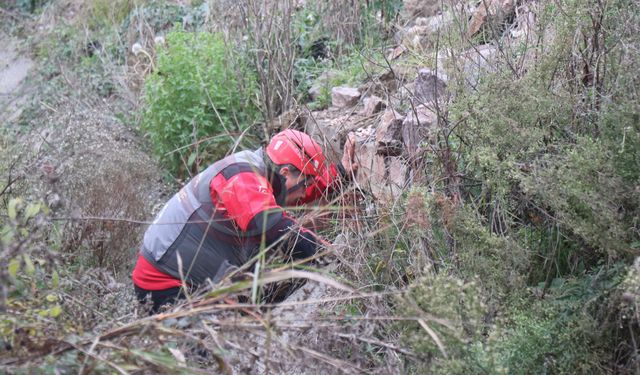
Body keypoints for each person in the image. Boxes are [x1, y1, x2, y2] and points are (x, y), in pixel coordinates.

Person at [132, 129, 357, 312]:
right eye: (306, 183)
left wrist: (339, 174)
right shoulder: (241, 177)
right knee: (207, 362)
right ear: (286, 173)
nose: (305, 192)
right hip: (165, 284)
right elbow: (276, 229)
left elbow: (288, 196)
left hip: (179, 275)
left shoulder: (257, 171)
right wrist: (334, 256)